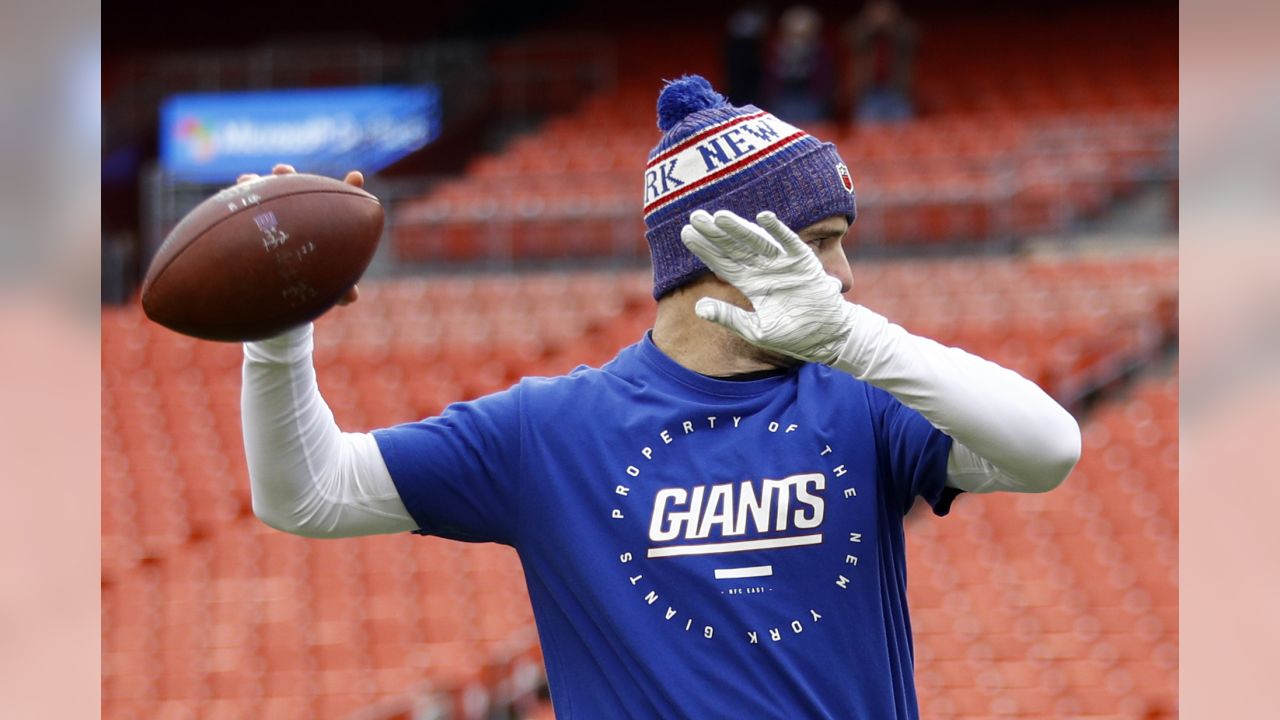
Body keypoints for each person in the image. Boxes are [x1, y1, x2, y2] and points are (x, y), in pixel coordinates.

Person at [240, 75, 1080, 719]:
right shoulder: (551, 429)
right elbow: (307, 494)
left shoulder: (862, 399)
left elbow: (1048, 451)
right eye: (820, 242)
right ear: (735, 247)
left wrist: (857, 342)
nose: (844, 276)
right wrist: (277, 336)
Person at [846, 0, 918, 123]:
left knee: (904, 134)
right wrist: (870, 26)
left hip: (897, 90)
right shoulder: (862, 32)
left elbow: (913, 39)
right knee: (867, 134)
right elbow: (850, 39)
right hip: (867, 91)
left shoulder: (902, 31)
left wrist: (891, 26)